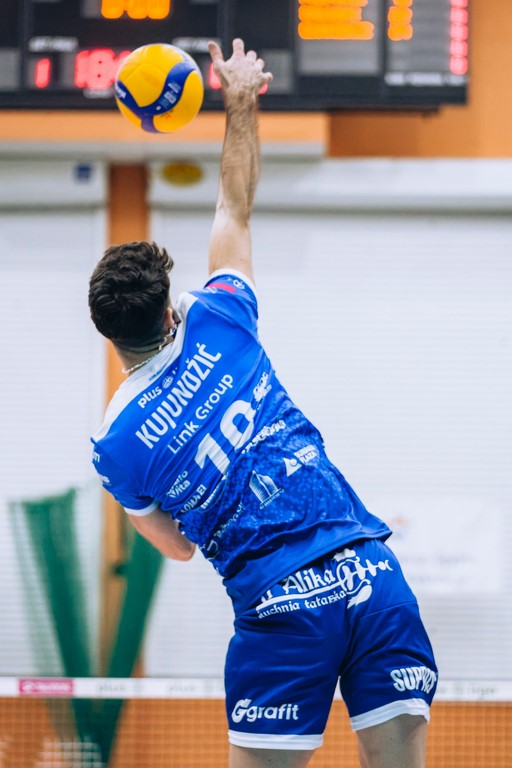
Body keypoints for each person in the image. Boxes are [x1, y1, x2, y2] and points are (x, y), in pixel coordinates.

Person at [89, 38, 437, 768]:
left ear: (108, 334)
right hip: (370, 574)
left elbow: (178, 548)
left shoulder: (116, 445)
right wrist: (240, 101)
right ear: (170, 311)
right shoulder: (220, 317)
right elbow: (234, 207)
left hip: (281, 607)